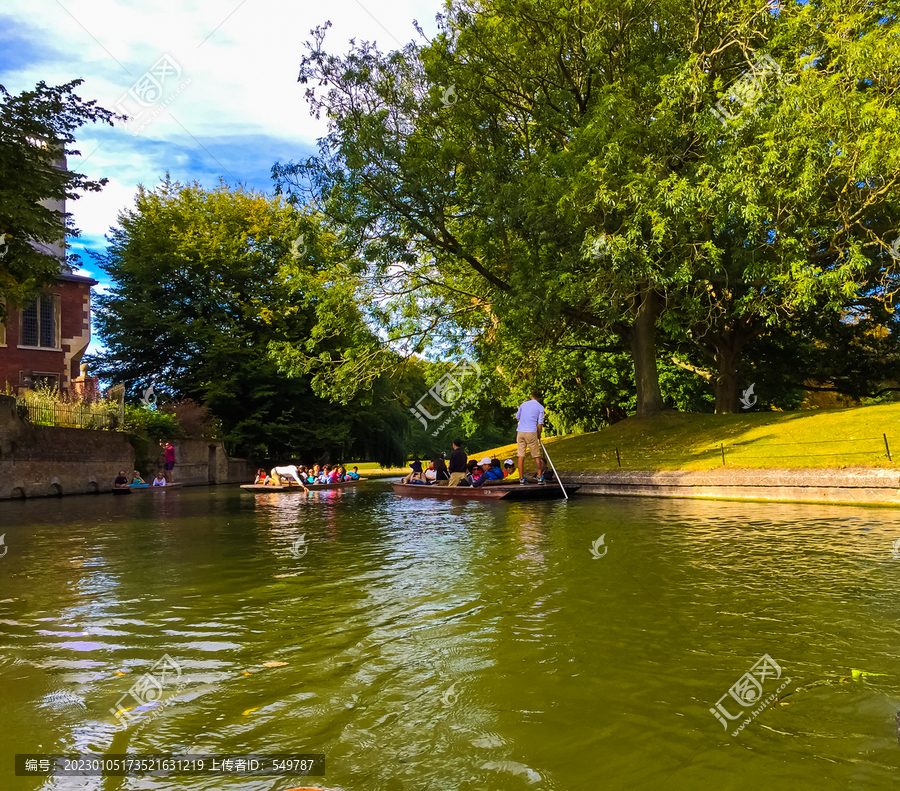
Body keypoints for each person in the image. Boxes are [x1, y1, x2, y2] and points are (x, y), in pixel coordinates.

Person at [516, 390, 547, 485]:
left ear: (531, 397)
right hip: (531, 431)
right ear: (539, 399)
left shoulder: (523, 404)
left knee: (521, 456)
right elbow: (540, 424)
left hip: (520, 431)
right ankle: (539, 477)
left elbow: (518, 417)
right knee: (536, 456)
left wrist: (519, 409)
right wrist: (539, 434)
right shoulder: (540, 407)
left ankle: (521, 478)